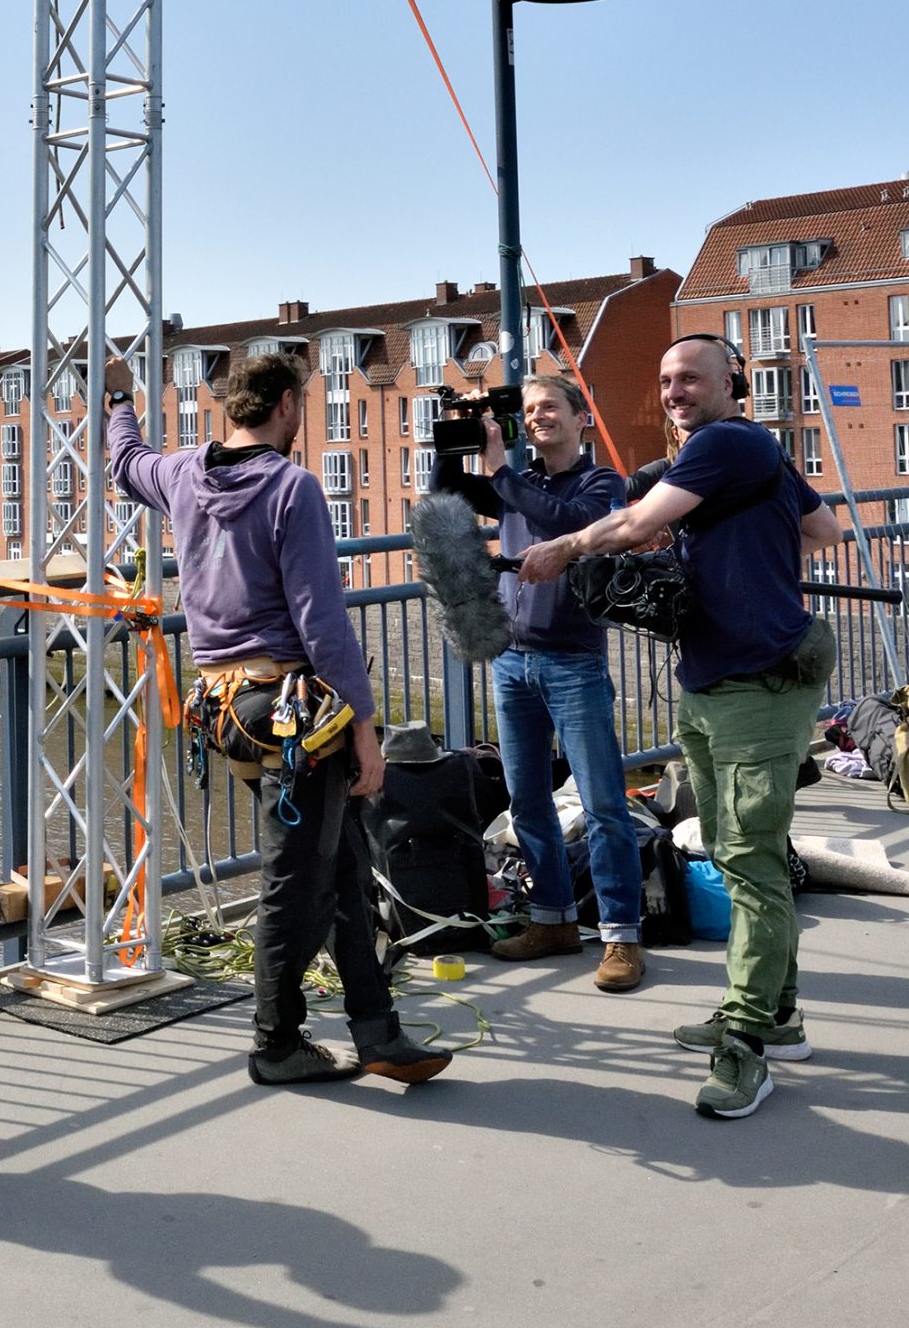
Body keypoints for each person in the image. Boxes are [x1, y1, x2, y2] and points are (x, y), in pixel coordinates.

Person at [105, 347, 449, 1086]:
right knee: (295, 884)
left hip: (226, 706)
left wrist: (118, 403)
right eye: (302, 404)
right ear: (288, 404)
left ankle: (377, 1031)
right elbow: (322, 620)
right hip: (292, 710)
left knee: (344, 869)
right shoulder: (293, 487)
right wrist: (365, 727)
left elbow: (128, 463)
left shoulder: (184, 475)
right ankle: (275, 1044)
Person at [521, 334, 841, 1120]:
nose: (674, 391)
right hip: (710, 681)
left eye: (690, 378)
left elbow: (634, 528)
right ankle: (779, 1015)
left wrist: (565, 546)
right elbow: (824, 529)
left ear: (732, 382)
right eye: (666, 380)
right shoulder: (754, 457)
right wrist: (744, 547)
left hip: (756, 685)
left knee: (751, 862)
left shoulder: (728, 443)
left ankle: (747, 1044)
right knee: (738, 855)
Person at [431, 375, 641, 987]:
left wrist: (501, 470)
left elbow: (565, 520)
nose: (538, 417)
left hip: (573, 662)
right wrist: (457, 438)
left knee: (603, 804)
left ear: (581, 418)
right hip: (511, 660)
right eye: (528, 411)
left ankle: (622, 936)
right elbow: (444, 492)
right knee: (526, 800)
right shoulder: (521, 483)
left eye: (550, 407)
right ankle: (554, 919)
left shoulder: (602, 484)